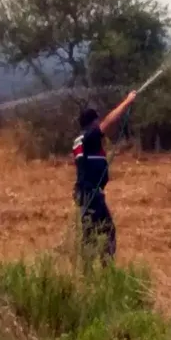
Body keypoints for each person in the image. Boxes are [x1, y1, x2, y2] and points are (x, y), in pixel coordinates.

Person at [72, 90, 137, 265]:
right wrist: (127, 102)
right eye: (97, 121)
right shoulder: (89, 137)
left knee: (92, 233)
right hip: (91, 193)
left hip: (88, 193)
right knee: (105, 232)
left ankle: (89, 273)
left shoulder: (82, 139)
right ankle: (104, 272)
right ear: (92, 122)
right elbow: (109, 121)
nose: (99, 124)